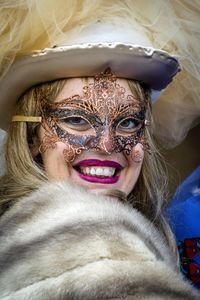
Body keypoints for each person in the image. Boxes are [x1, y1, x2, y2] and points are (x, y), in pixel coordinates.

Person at [0, 1, 199, 299]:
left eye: (129, 122)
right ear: (33, 136)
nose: (106, 144)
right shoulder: (100, 256)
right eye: (77, 119)